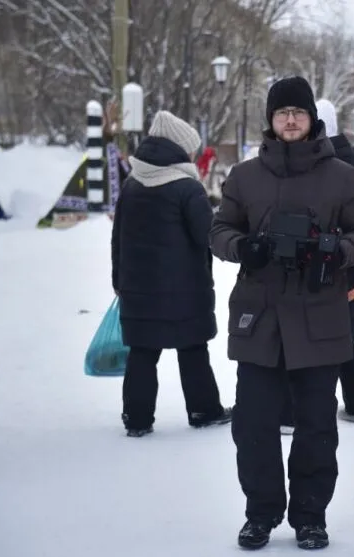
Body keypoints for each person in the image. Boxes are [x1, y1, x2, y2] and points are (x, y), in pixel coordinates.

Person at [209, 76, 354, 550]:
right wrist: (246, 246)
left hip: (318, 315)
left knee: (317, 426)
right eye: (282, 113)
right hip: (260, 317)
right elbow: (219, 230)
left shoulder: (341, 176)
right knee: (253, 424)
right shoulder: (245, 176)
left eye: (298, 113)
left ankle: (310, 516)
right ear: (270, 119)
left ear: (311, 119)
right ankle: (260, 513)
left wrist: (335, 251)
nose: (289, 120)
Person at [111, 110, 230, 438]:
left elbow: (117, 237)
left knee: (142, 354)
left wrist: (119, 281)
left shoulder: (132, 184)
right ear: (178, 149)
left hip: (137, 291)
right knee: (193, 350)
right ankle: (203, 409)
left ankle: (137, 419)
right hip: (184, 291)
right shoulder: (187, 188)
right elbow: (206, 234)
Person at [277, 98, 354, 435]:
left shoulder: (318, 162)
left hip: (316, 260)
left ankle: (290, 414)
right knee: (342, 338)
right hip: (344, 263)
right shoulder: (348, 161)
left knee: (298, 338)